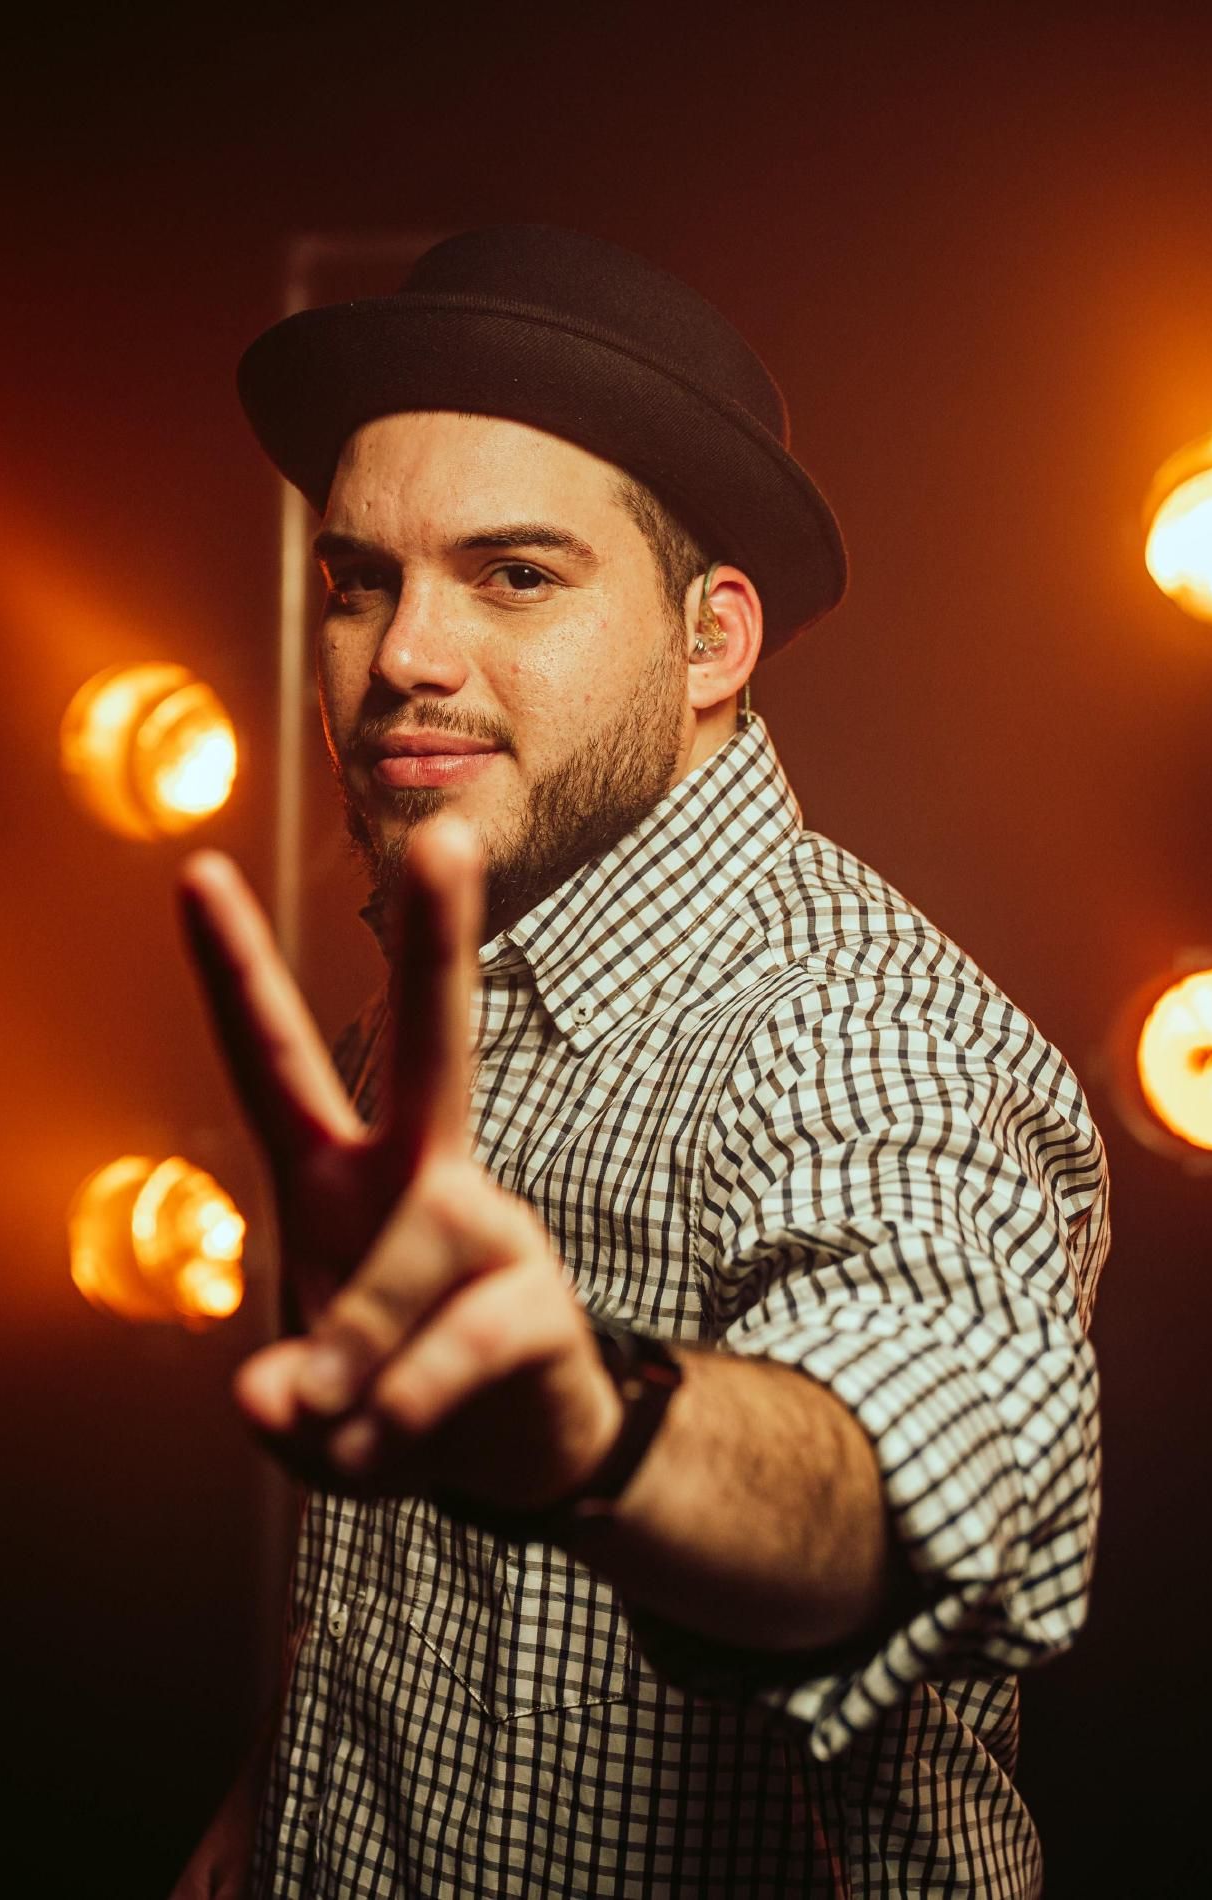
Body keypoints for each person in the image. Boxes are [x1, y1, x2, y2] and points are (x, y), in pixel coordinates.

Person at [168, 225, 1109, 1899]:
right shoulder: (433, 1006)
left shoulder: (854, 1025)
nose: (403, 656)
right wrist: (273, 1813)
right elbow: (411, 1603)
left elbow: (915, 1463)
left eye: (515, 576)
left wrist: (600, 1436)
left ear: (710, 643)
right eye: (361, 580)